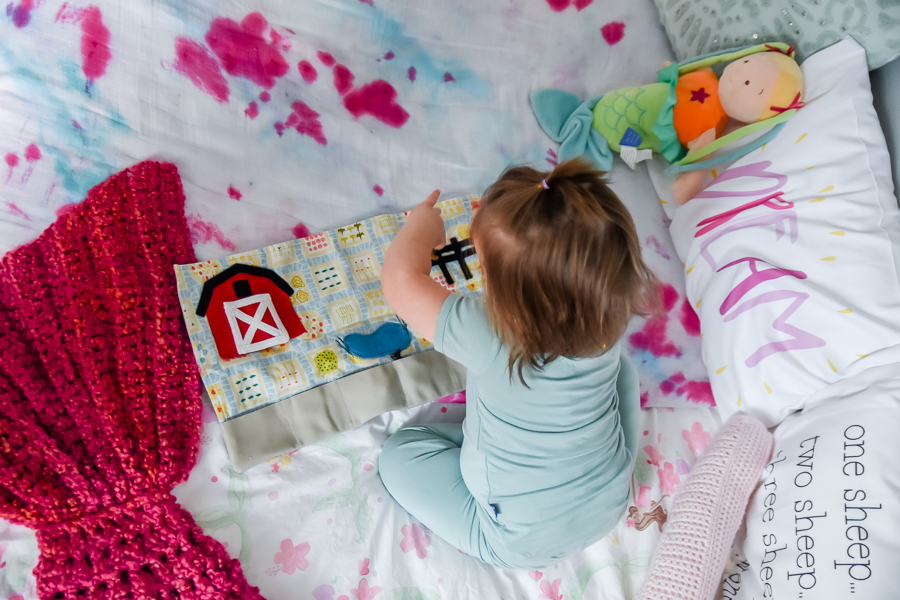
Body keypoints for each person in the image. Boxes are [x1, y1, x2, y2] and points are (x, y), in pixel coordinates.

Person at [378, 158, 655, 569]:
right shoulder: (606, 318)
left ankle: (491, 521)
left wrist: (421, 228)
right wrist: (499, 239)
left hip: (517, 539)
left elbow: (400, 280)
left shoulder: (489, 332)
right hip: (608, 498)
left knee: (399, 455)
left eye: (484, 266)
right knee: (624, 374)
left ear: (508, 297)